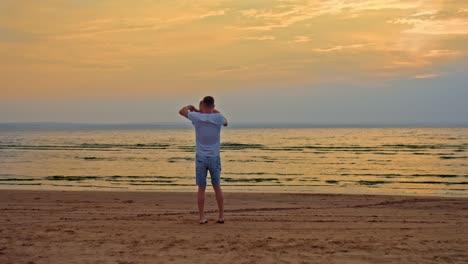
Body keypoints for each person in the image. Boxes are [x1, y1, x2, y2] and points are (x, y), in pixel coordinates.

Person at [179, 96, 228, 224]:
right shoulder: (217, 117)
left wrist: (192, 108)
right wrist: (212, 111)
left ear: (203, 105)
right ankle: (221, 216)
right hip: (214, 157)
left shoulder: (196, 117)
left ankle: (202, 217)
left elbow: (182, 111)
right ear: (213, 105)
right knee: (217, 186)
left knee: (201, 188)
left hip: (201, 158)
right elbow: (226, 122)